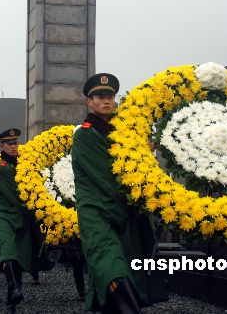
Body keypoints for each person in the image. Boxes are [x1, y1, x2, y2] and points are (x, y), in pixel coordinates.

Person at [72, 73, 168, 314]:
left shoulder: (125, 135)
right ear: (89, 102)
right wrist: (144, 196)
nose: (106, 101)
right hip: (98, 214)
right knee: (111, 267)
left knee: (126, 273)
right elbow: (106, 178)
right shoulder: (84, 135)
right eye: (100, 96)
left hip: (125, 216)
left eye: (110, 96)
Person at [0, 129, 53, 314]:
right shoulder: (1, 168)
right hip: (5, 216)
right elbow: (15, 196)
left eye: (15, 143)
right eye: (9, 144)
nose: (13, 147)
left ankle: (14, 293)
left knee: (19, 257)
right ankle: (15, 288)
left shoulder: (23, 165)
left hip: (20, 218)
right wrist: (40, 210)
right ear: (2, 146)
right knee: (8, 251)